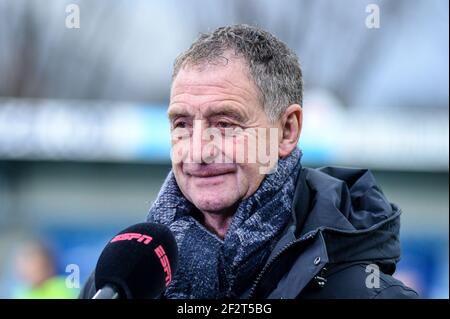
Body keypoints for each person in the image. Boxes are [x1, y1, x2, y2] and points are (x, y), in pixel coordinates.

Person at [80, 24, 418, 299]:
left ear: (287, 131)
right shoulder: (116, 286)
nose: (198, 151)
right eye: (182, 125)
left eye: (225, 124)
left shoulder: (369, 294)